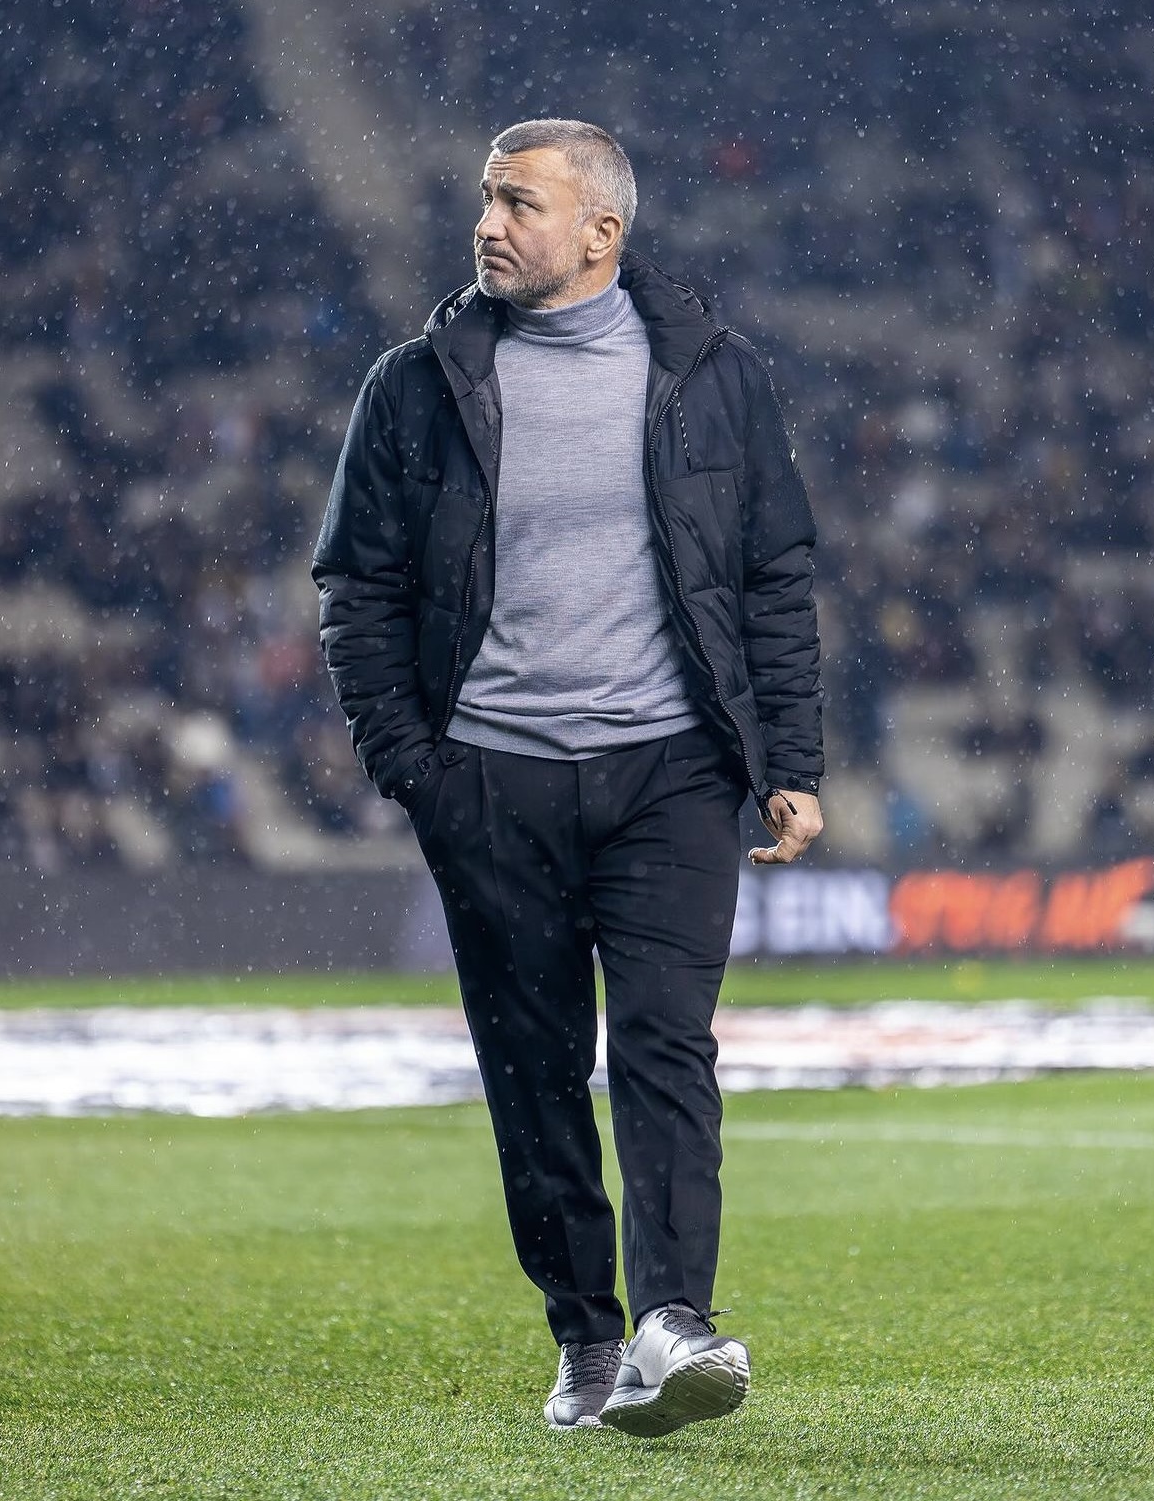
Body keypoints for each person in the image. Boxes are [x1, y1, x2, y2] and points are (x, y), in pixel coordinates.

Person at [313, 118, 824, 1437]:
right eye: (485, 200)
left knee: (666, 1045)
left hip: (673, 776)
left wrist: (790, 763)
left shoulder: (715, 374)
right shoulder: (412, 385)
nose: (489, 225)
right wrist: (416, 769)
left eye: (519, 203)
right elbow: (355, 589)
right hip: (493, 780)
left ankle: (674, 1321)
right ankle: (586, 1333)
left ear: (603, 231)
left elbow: (772, 577)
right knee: (532, 1071)